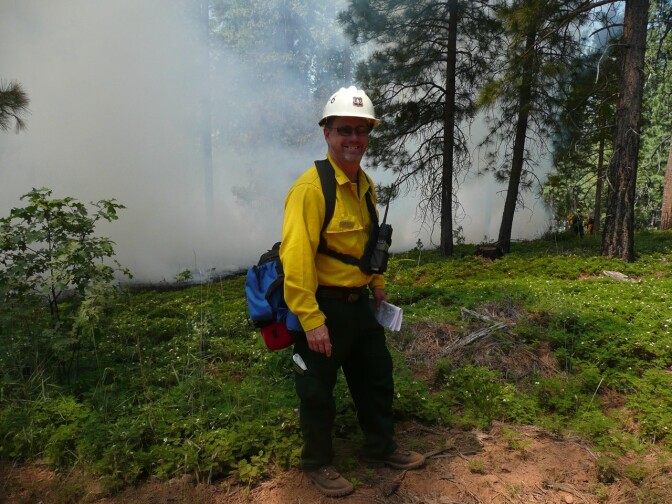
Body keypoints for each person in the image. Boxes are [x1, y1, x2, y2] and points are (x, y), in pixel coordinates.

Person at [279, 86, 425, 497]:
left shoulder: (365, 185)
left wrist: (377, 285)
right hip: (323, 306)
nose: (354, 139)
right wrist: (311, 321)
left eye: (362, 131)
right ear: (326, 132)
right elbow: (297, 260)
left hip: (361, 306)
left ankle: (380, 448)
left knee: (376, 379)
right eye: (345, 130)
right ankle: (317, 463)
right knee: (316, 390)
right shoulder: (310, 190)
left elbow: (369, 243)